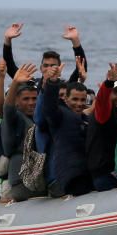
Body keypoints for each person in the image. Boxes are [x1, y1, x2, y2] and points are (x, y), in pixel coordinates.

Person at [38, 62, 92, 197]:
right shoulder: (60, 116)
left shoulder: (86, 119)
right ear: (66, 99)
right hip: (70, 175)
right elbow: (49, 107)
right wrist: (52, 82)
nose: (79, 104)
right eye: (75, 99)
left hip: (87, 172)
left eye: (82, 100)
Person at [0, 63, 44, 201]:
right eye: (26, 99)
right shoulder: (16, 117)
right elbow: (7, 108)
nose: (31, 102)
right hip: (21, 181)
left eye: (34, 98)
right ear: (17, 102)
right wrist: (14, 83)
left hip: (38, 179)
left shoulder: (39, 119)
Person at [86, 65, 117, 191]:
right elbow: (102, 101)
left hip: (113, 174)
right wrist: (108, 83)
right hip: (103, 177)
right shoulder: (105, 113)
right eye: (116, 92)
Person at [2, 23, 88, 84]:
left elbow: (81, 67)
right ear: (41, 68)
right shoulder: (32, 85)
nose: (49, 69)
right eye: (46, 65)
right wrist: (7, 39)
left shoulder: (64, 87)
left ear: (60, 69)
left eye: (53, 66)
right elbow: (9, 65)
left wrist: (75, 40)